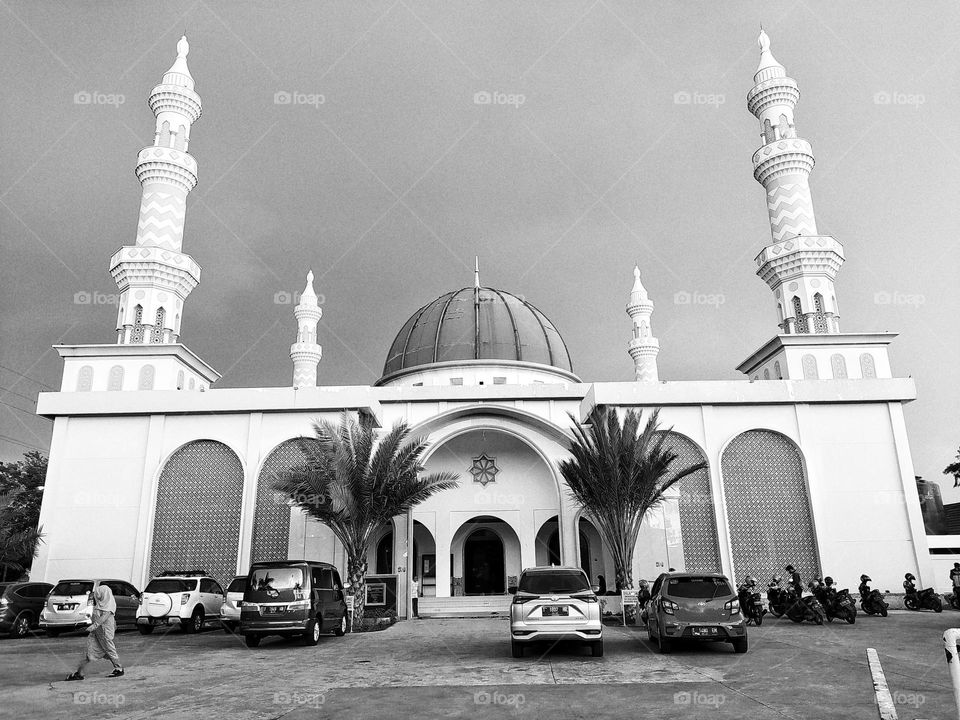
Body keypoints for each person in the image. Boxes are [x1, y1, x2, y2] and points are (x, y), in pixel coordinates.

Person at [66, 585, 123, 680]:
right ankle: (79, 673)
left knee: (109, 650)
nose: (97, 595)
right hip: (97, 633)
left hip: (104, 633)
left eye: (98, 593)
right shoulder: (101, 604)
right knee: (89, 651)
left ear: (104, 594)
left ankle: (119, 669)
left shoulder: (108, 606)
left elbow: (104, 617)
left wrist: (94, 626)